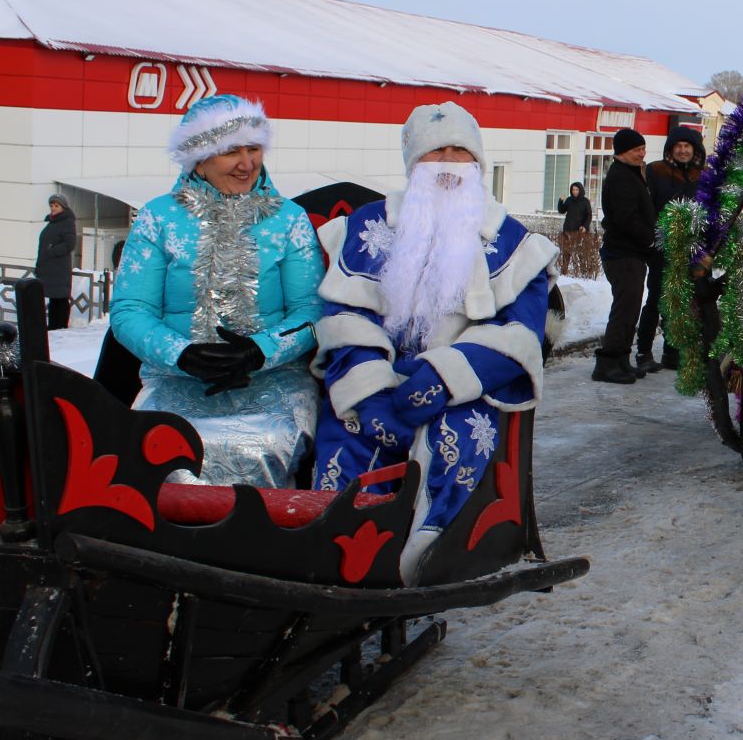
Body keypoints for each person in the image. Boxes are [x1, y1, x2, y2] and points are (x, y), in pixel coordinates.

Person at [312, 101, 556, 580]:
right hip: (376, 380)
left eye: (459, 151)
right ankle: (334, 559)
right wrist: (373, 384)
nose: (447, 163)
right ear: (413, 165)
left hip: (462, 386)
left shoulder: (512, 241)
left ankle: (415, 560)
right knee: (348, 429)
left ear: (478, 163)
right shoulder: (368, 226)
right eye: (435, 152)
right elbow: (344, 313)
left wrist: (442, 378)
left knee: (452, 439)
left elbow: (520, 331)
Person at [110, 95, 324, 487]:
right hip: (176, 380)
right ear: (199, 158)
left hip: (272, 381)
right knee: (165, 447)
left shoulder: (289, 219)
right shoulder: (158, 218)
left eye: (254, 149)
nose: (247, 164)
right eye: (230, 151)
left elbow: (312, 311)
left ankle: (262, 539)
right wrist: (182, 355)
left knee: (266, 443)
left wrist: (261, 350)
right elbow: (129, 311)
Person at [639, 125, 704, 372]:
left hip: (691, 248)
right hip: (662, 246)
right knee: (655, 299)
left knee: (682, 301)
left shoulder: (703, 175)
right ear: (671, 149)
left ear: (695, 149)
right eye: (678, 146)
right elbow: (648, 205)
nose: (683, 151)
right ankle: (644, 351)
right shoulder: (657, 170)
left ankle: (672, 350)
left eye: (687, 146)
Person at [594, 127, 655, 384]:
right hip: (622, 255)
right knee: (624, 309)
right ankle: (606, 363)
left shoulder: (630, 174)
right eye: (636, 150)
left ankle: (621, 358)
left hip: (632, 254)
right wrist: (649, 239)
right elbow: (626, 219)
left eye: (643, 148)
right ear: (622, 153)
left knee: (631, 309)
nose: (642, 154)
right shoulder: (620, 178)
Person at [36, 193, 77, 330]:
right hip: (50, 269)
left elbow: (70, 244)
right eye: (52, 205)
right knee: (55, 300)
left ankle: (59, 327)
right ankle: (54, 327)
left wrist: (52, 251)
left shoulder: (66, 222)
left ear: (63, 207)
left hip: (58, 269)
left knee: (60, 299)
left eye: (56, 206)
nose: (53, 208)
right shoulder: (54, 222)